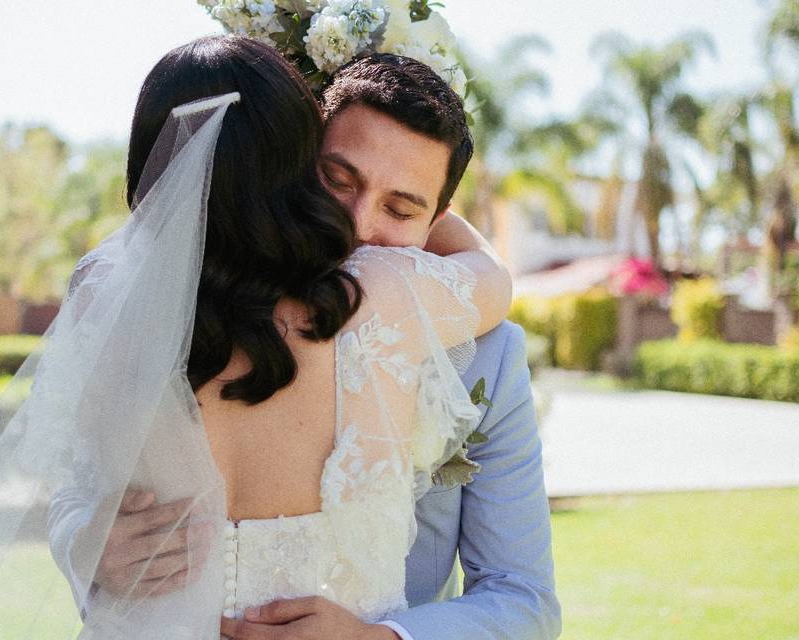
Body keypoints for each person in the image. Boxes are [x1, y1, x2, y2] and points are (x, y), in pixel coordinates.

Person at [38, 34, 510, 639]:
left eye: (398, 206)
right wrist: (422, 198)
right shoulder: (383, 295)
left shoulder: (105, 297)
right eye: (335, 175)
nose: (358, 224)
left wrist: (85, 542)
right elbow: (492, 276)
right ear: (297, 163)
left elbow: (77, 487)